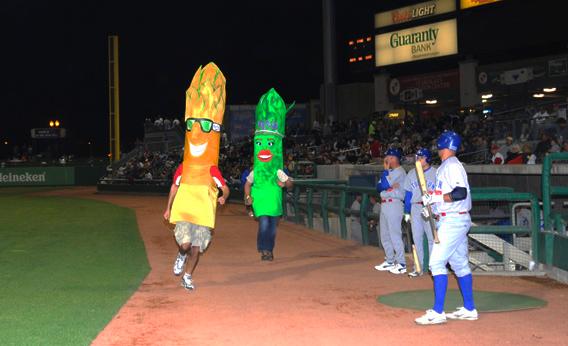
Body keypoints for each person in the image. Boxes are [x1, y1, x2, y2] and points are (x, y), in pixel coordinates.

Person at [168, 63, 230, 291]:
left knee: (197, 249)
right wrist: (168, 208)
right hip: (185, 211)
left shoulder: (212, 170)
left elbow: (225, 187)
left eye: (204, 124)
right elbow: (174, 188)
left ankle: (188, 276)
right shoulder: (183, 168)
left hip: (203, 213)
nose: (196, 130)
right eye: (192, 124)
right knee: (185, 245)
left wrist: (223, 196)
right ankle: (180, 255)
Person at [415, 131, 477, 325]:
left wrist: (436, 198)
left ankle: (438, 311)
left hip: (454, 220)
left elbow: (459, 193)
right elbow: (446, 194)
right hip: (450, 218)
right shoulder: (446, 166)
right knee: (459, 264)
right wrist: (432, 206)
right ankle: (469, 308)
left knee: (436, 263)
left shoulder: (452, 165)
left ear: (443, 144)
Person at [244, 88, 294, 261]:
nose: (264, 146)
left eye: (269, 142)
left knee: (272, 228)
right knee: (264, 223)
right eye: (260, 142)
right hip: (261, 200)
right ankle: (265, 250)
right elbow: (248, 183)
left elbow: (290, 184)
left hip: (274, 201)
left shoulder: (277, 170)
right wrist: (247, 197)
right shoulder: (256, 170)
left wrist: (284, 184)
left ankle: (268, 248)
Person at [403, 148, 436, 277]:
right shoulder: (411, 173)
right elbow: (408, 194)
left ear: (427, 158)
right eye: (417, 157)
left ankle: (434, 268)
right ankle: (419, 267)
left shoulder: (435, 173)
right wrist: (406, 212)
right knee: (416, 239)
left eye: (420, 157)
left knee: (432, 239)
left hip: (430, 207)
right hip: (415, 207)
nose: (418, 160)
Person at [374, 148, 407, 275]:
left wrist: (386, 174)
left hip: (394, 204)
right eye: (388, 157)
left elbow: (383, 185)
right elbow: (378, 187)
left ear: (397, 158)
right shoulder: (389, 172)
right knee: (385, 235)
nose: (388, 159)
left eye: (391, 157)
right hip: (385, 204)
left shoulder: (400, 172)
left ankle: (402, 263)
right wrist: (386, 181)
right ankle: (389, 260)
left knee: (395, 235)